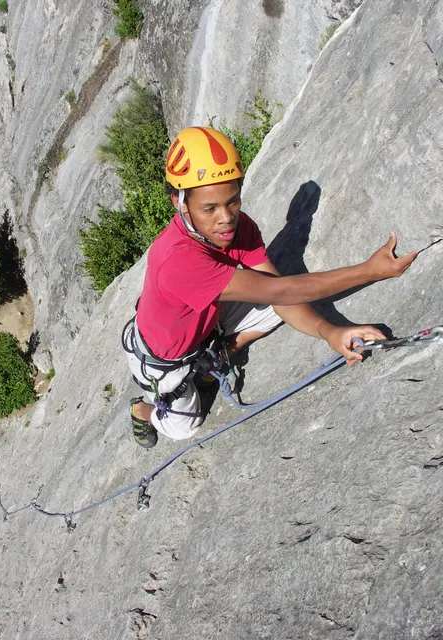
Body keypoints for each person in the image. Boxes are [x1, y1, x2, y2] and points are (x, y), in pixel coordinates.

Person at [123, 126, 417, 448]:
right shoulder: (178, 260)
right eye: (209, 209)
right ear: (178, 202)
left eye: (232, 201)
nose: (226, 218)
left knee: (275, 310)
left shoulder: (237, 227)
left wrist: (331, 332)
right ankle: (143, 409)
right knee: (185, 427)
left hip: (201, 318)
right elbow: (283, 292)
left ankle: (218, 357)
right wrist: (369, 271)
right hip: (164, 359)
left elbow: (276, 291)